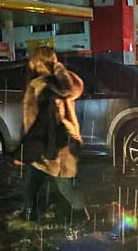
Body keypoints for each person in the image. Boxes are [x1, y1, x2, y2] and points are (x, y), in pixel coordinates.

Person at [17, 46, 88, 222]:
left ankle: (29, 217)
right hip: (65, 142)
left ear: (36, 63)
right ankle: (82, 218)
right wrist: (59, 68)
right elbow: (71, 91)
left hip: (46, 143)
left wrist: (24, 150)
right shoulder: (61, 84)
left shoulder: (38, 86)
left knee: (33, 185)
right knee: (64, 186)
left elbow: (33, 122)